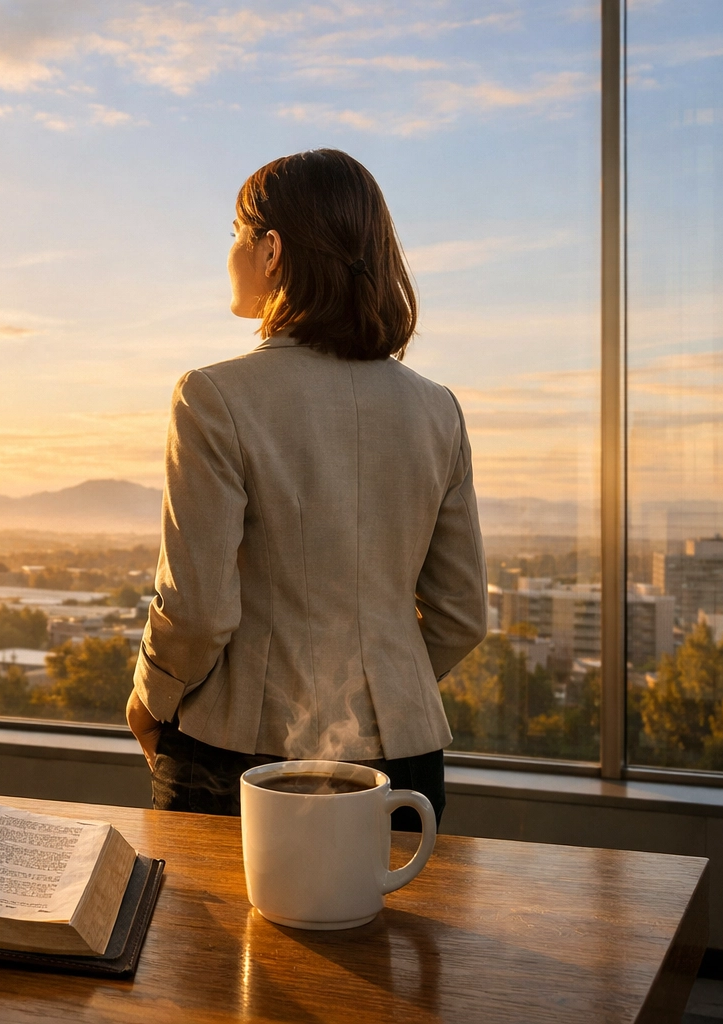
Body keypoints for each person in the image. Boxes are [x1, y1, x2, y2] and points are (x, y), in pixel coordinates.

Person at [125, 149, 488, 828]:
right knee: (397, 935)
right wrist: (381, 693)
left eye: (235, 233)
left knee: (214, 936)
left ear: (270, 251)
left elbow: (198, 611)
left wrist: (150, 700)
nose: (229, 252)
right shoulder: (439, 409)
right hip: (405, 763)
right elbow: (462, 612)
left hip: (240, 754)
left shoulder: (212, 396)